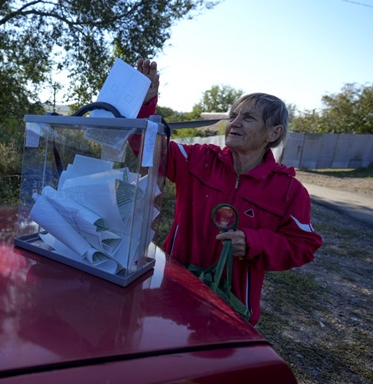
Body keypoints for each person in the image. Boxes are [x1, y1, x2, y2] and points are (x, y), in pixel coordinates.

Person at [135, 58, 323, 325]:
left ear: (274, 133)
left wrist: (254, 243)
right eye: (233, 116)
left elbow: (303, 246)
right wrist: (146, 104)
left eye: (247, 118)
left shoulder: (289, 190)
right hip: (175, 287)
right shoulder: (197, 159)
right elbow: (146, 151)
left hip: (230, 307)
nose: (234, 123)